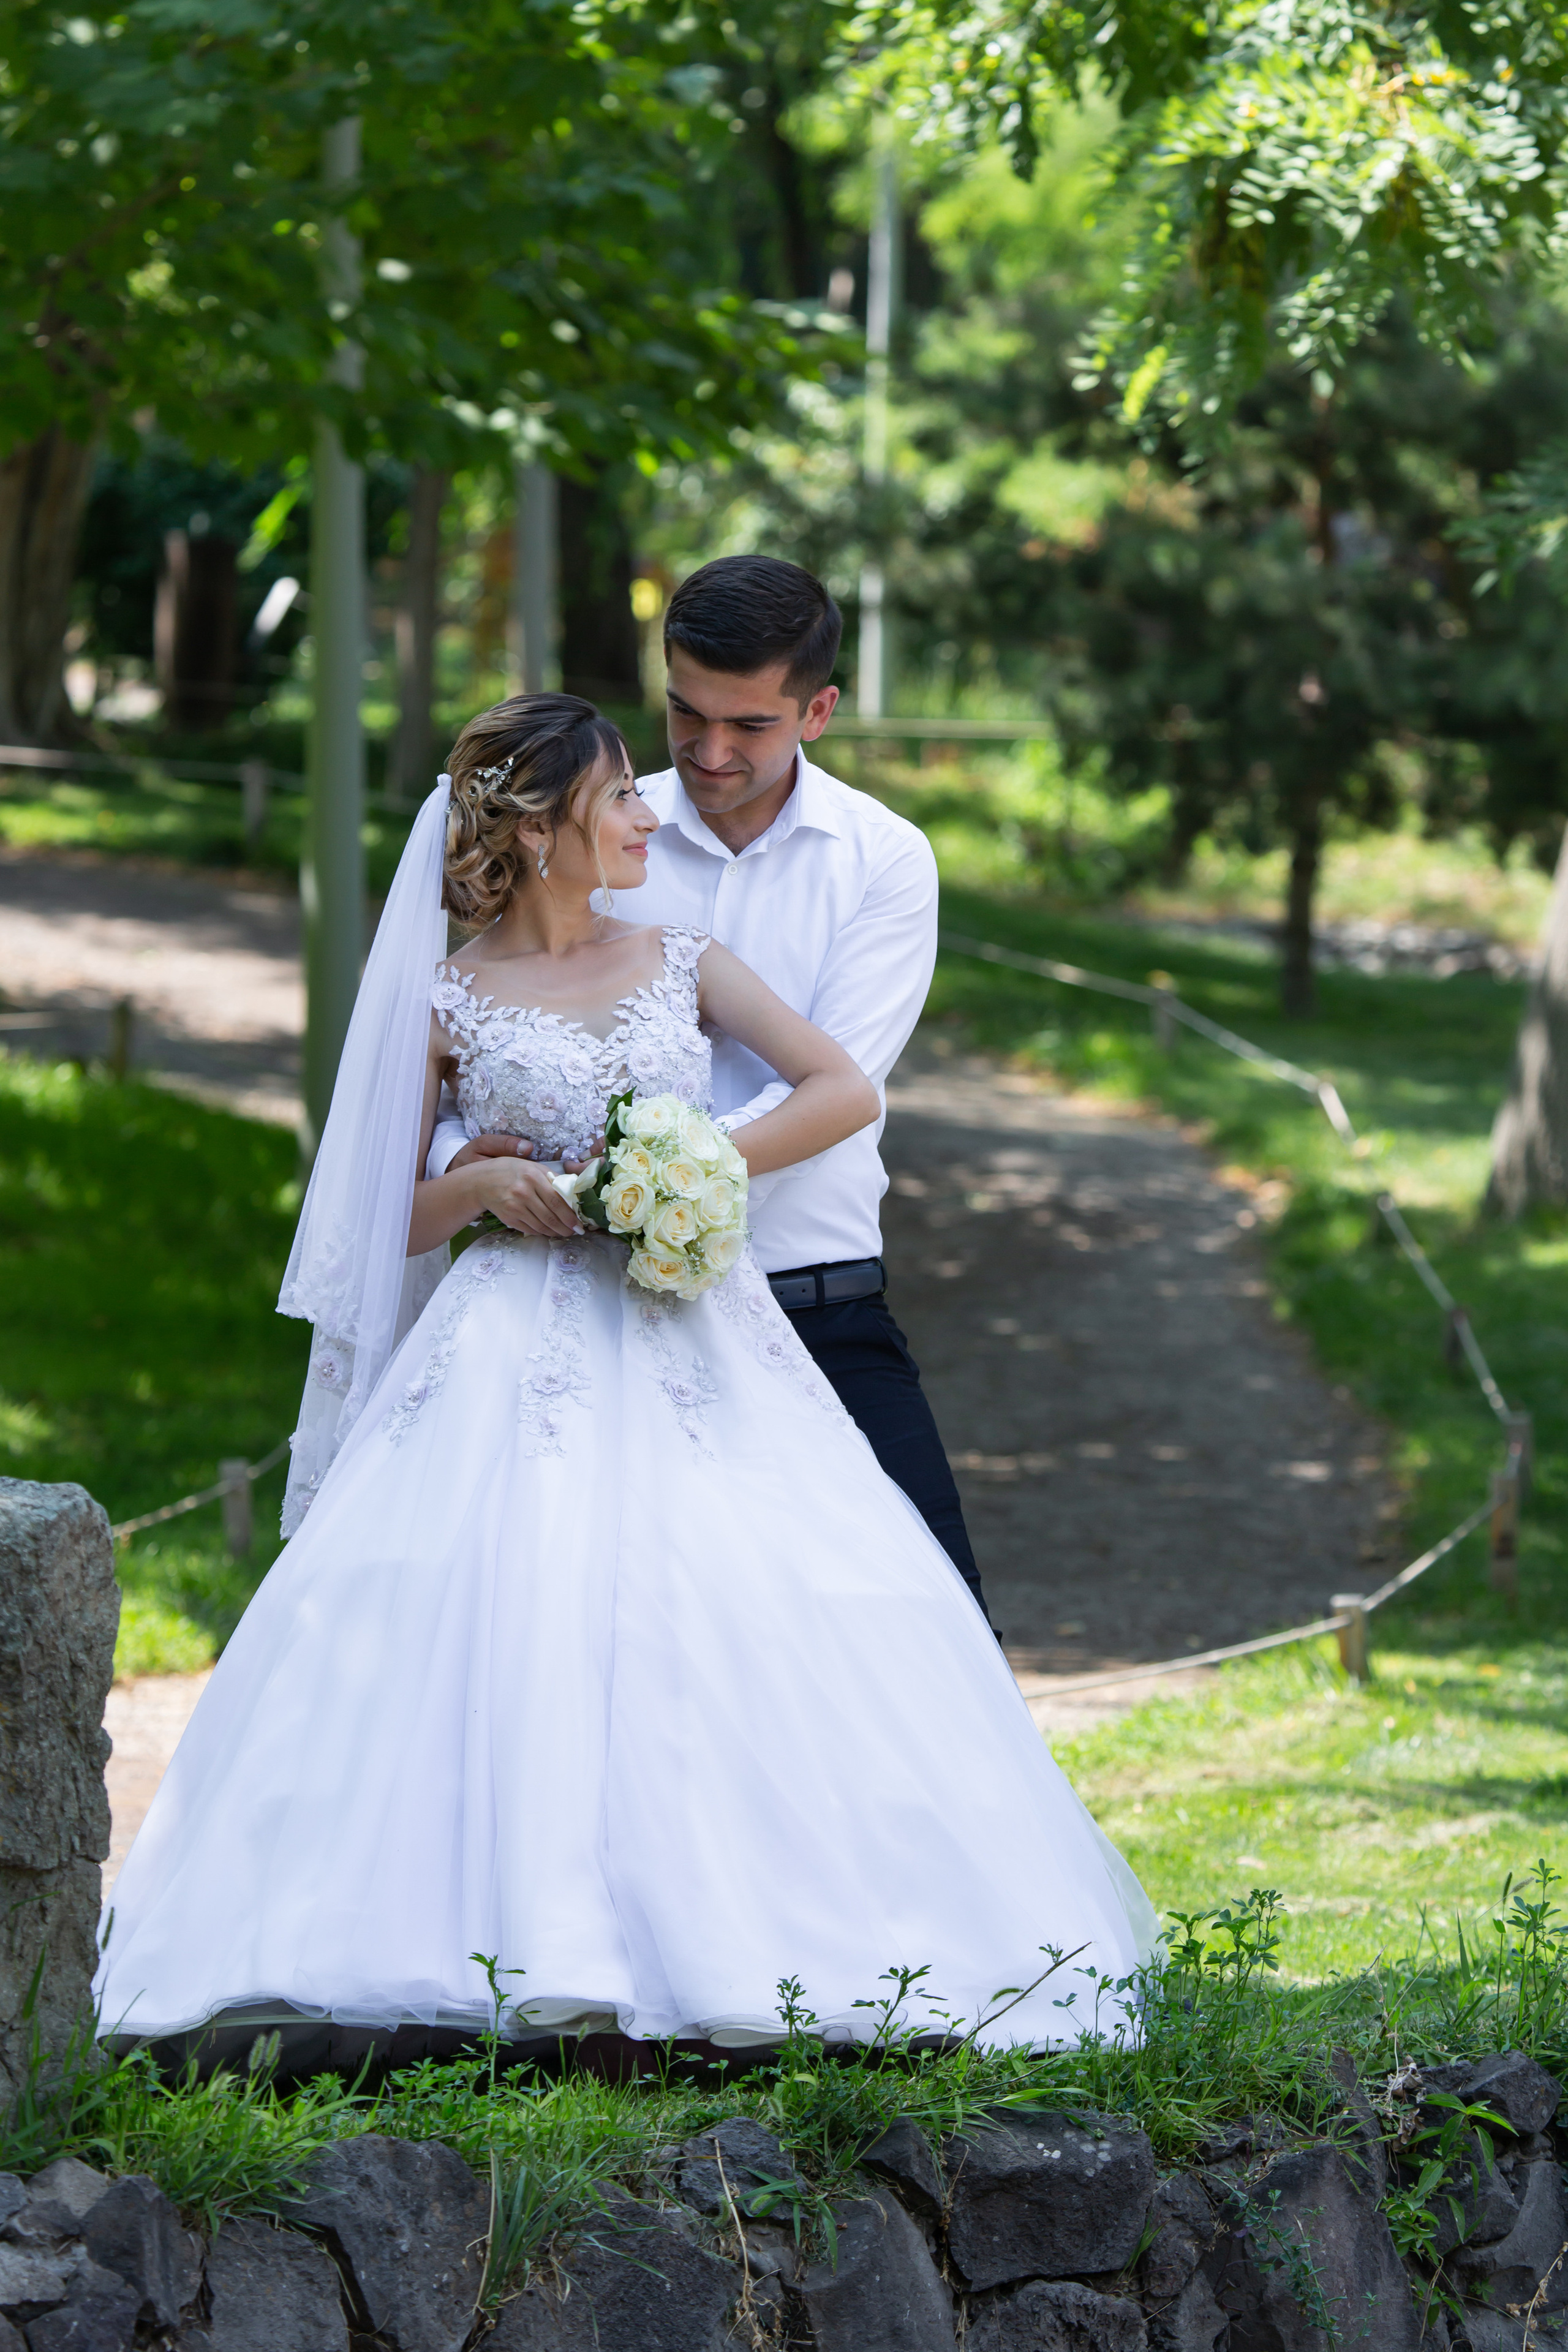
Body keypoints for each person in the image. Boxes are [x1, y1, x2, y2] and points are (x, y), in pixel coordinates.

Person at [96, 693, 1155, 2060]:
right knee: (492, 1610)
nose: (653, 812)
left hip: (693, 1335)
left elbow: (839, 1088)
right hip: (502, 1344)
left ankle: (781, 1932)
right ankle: (470, 1941)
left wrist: (697, 1166)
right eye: (620, 801)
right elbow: (376, 1220)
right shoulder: (444, 994)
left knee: (753, 1604)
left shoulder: (683, 959)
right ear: (541, 832)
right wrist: (478, 1184)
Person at [426, 556, 990, 1620]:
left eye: (751, 726)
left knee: (932, 1624)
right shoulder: (582, 830)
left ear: (818, 711)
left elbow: (841, 1084)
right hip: (579, 1321)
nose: (711, 752)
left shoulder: (881, 860)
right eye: (686, 713)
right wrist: (458, 1164)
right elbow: (476, 1043)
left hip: (812, 1297)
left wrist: (639, 1180)